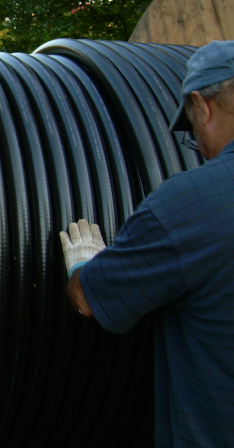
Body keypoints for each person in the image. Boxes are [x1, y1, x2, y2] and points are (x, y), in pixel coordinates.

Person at [59, 40, 234, 448]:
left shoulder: (190, 205)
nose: (200, 150)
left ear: (202, 106)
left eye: (192, 132)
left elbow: (87, 298)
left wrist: (82, 268)